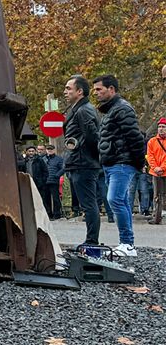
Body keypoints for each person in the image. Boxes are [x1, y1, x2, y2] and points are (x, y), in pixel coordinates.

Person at [94, 74, 143, 256]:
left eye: (99, 89)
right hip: (112, 163)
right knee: (120, 200)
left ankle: (127, 244)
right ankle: (127, 244)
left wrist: (138, 163)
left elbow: (135, 137)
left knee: (114, 199)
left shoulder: (122, 109)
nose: (96, 93)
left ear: (111, 89)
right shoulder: (112, 110)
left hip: (122, 163)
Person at [63, 74, 103, 244]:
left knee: (89, 205)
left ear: (79, 91)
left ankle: (92, 241)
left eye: (68, 88)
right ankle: (90, 240)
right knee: (88, 204)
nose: (65, 92)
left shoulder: (84, 110)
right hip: (80, 163)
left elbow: (93, 137)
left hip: (84, 164)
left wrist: (83, 152)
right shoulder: (79, 109)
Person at [147, 118, 166, 225]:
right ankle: (157, 217)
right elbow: (150, 156)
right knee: (157, 196)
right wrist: (155, 168)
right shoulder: (152, 141)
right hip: (156, 173)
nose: (161, 129)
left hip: (163, 171)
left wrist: (162, 167)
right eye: (159, 127)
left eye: (163, 127)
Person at [43, 144, 65, 220]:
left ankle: (57, 214)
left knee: (56, 198)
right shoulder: (43, 159)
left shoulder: (59, 159)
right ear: (46, 150)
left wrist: (57, 175)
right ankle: (49, 214)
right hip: (45, 181)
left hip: (54, 181)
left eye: (51, 149)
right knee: (46, 199)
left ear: (54, 150)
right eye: (48, 149)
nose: (49, 150)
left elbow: (63, 168)